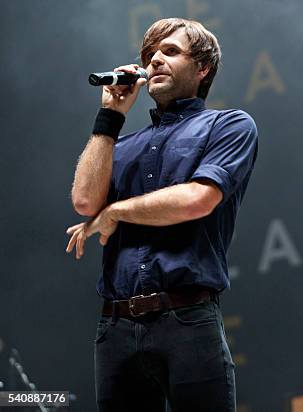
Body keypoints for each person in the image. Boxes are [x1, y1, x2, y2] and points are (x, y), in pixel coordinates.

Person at [65, 18, 257, 412]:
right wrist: (111, 117)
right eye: (150, 55)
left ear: (202, 68)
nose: (154, 61)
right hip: (115, 326)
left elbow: (197, 199)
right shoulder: (122, 146)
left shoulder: (228, 125)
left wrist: (117, 211)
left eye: (170, 51)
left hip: (187, 317)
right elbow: (85, 203)